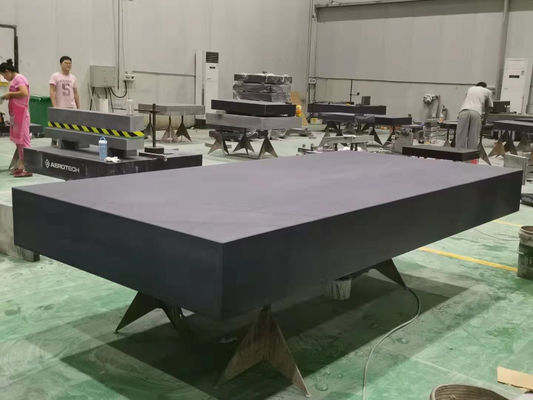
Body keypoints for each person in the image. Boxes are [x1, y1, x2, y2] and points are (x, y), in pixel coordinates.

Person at [0, 59, 32, 177]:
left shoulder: (19, 78)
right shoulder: (14, 80)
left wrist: (9, 94)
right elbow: (17, 95)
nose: (4, 78)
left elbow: (24, 93)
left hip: (22, 114)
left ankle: (27, 167)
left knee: (24, 141)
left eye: (4, 75)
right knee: (19, 142)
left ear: (7, 71)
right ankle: (20, 166)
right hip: (16, 115)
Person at [455, 82, 493, 151]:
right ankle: (470, 155)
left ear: (476, 86)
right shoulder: (487, 91)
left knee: (460, 136)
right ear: (485, 87)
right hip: (476, 112)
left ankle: (459, 154)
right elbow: (489, 107)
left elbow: (464, 101)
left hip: (464, 111)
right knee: (473, 137)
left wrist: (458, 115)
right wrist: (484, 120)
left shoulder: (470, 89)